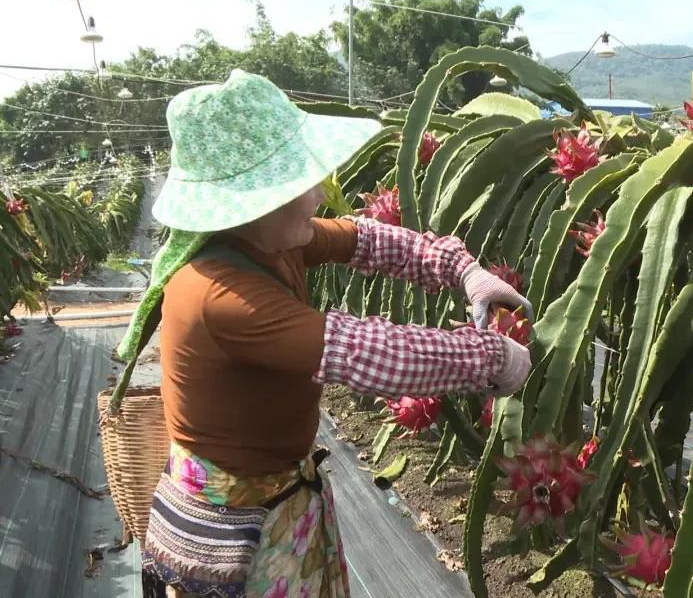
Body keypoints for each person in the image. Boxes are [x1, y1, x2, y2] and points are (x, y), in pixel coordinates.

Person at [124, 69, 533, 598]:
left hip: (280, 499)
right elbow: (367, 353)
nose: (320, 191)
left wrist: (461, 269)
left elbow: (370, 239)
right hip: (236, 525)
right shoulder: (217, 294)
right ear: (254, 199)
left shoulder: (270, 240)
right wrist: (489, 357)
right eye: (301, 179)